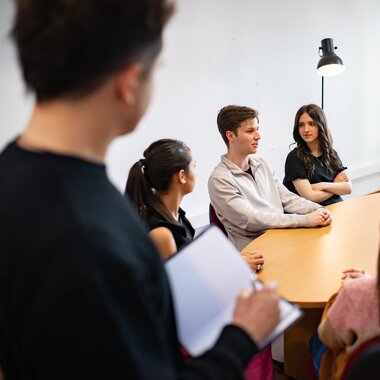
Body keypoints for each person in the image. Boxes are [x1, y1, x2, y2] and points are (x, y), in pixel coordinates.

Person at [0, 2, 280, 380]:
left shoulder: (15, 175)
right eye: (157, 69)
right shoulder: (86, 235)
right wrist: (243, 335)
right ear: (130, 82)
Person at [125, 138, 265, 272]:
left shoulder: (176, 214)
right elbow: (181, 287)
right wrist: (233, 266)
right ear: (182, 176)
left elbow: (190, 264)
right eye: (194, 166)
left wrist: (232, 259)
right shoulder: (161, 234)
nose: (196, 173)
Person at [208, 105, 332, 251]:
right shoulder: (219, 180)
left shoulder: (262, 165)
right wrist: (305, 220)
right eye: (250, 131)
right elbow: (252, 219)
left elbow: (287, 198)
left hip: (283, 240)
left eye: (257, 129)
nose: (258, 136)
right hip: (257, 251)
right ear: (230, 136)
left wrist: (319, 209)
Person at [316, 245, 380, 379]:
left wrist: (359, 287)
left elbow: (327, 336)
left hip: (354, 373)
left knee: (316, 340)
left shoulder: (355, 293)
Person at [283, 104, 352, 206]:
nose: (306, 129)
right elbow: (310, 197)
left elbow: (348, 188)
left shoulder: (331, 153)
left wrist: (321, 185)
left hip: (337, 208)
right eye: (301, 125)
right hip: (312, 215)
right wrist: (335, 185)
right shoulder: (294, 158)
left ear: (321, 125)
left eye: (311, 124)